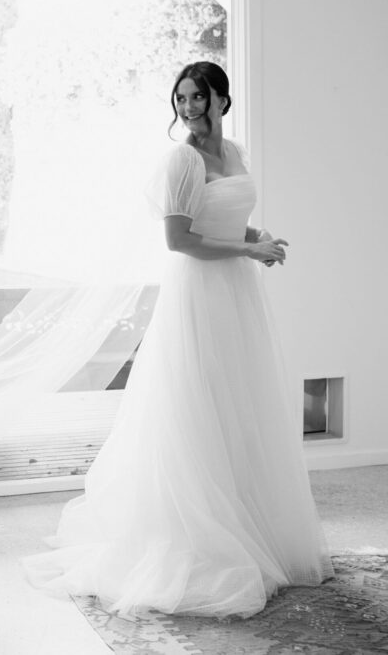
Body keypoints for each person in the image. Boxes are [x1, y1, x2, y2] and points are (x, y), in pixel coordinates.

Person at [22, 62, 332, 617]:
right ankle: (196, 536)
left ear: (222, 99)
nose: (188, 108)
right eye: (181, 98)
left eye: (199, 97)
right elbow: (179, 239)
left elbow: (229, 220)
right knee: (200, 406)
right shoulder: (182, 159)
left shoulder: (233, 153)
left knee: (242, 407)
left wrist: (259, 237)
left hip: (237, 293)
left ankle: (251, 525)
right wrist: (247, 252)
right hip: (201, 293)